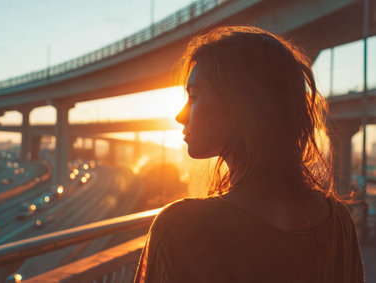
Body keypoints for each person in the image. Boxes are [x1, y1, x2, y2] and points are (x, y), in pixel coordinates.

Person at [134, 26, 364, 283]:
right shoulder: (338, 224)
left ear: (241, 106)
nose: (180, 115)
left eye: (194, 96)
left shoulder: (179, 227)